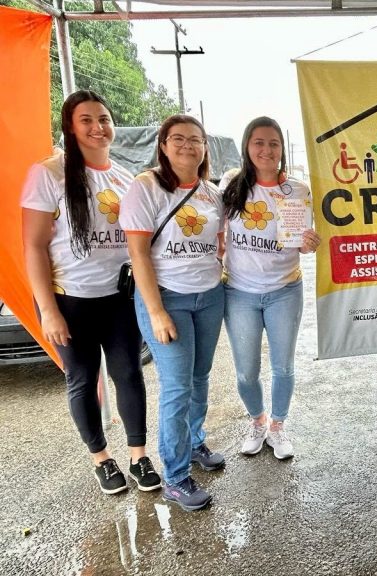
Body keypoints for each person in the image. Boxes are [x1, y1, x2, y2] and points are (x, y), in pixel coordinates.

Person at [21, 90, 160, 495]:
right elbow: (32, 246)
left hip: (119, 298)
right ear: (70, 126)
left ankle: (138, 456)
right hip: (69, 299)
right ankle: (101, 459)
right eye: (86, 120)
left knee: (129, 373)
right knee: (82, 379)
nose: (98, 127)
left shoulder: (124, 178)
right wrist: (48, 310)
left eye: (104, 119)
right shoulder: (48, 174)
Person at [120, 115, 226, 512]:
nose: (187, 146)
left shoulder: (211, 192)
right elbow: (138, 254)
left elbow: (219, 243)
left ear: (204, 148)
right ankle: (176, 477)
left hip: (209, 296)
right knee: (178, 387)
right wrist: (157, 312)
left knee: (200, 376)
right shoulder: (145, 187)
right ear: (163, 145)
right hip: (167, 299)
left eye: (196, 139)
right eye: (178, 138)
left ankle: (194, 442)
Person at [220, 117, 320, 460]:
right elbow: (215, 231)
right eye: (259, 142)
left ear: (282, 149)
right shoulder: (231, 184)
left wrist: (308, 243)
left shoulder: (298, 191)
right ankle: (257, 421)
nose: (266, 150)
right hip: (239, 292)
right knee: (246, 371)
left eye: (273, 143)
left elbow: (302, 242)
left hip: (285, 290)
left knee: (283, 366)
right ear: (247, 146)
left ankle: (277, 426)